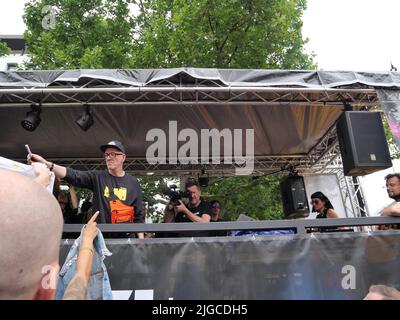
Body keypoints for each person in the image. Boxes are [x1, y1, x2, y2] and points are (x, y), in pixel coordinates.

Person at [28, 140, 144, 238]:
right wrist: (46, 164)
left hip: (126, 243)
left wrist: (141, 243)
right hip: (101, 240)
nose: (109, 158)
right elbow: (74, 175)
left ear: (123, 157)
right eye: (107, 155)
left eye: (113, 154)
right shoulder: (98, 177)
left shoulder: (133, 183)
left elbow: (139, 216)